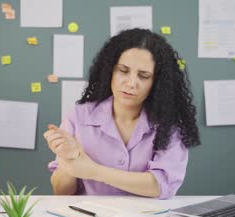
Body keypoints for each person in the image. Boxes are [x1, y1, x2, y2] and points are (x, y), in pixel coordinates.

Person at [44, 28, 200, 199]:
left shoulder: (169, 124)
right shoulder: (79, 116)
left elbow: (162, 187)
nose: (131, 83)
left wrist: (94, 171)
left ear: (157, 82)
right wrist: (69, 160)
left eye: (144, 75)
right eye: (123, 71)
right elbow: (60, 192)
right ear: (109, 70)